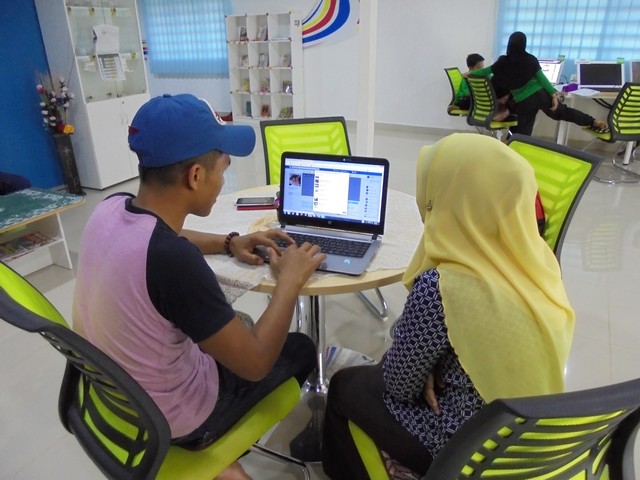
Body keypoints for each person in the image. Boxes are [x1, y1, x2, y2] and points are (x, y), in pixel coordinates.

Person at [73, 93, 326, 480]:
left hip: (116, 394)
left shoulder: (111, 206)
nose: (223, 179)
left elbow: (164, 234)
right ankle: (220, 446)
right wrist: (289, 282)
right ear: (195, 176)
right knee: (299, 348)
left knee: (237, 321)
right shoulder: (175, 263)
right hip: (176, 419)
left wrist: (229, 242)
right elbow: (256, 364)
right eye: (223, 169)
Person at [321, 133, 575, 479]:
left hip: (462, 452)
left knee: (345, 385)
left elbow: (398, 385)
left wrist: (421, 363)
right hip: (521, 446)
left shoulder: (443, 287)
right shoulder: (539, 267)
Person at [470, 31, 608, 136]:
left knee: (523, 134)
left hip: (524, 101)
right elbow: (541, 78)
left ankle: (516, 154)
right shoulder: (530, 59)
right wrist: (553, 94)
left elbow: (484, 71)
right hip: (540, 94)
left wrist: (469, 73)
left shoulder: (502, 62)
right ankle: (593, 122)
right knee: (563, 112)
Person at [452, 53, 513, 122]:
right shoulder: (467, 78)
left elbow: (491, 76)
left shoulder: (483, 77)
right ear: (470, 68)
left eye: (482, 68)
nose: (481, 70)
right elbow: (464, 93)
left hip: (480, 100)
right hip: (470, 100)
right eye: (479, 68)